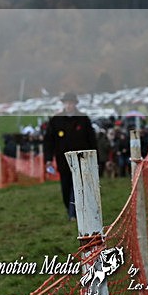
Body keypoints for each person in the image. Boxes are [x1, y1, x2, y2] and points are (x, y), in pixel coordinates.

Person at [43, 92, 97, 220]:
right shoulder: (56, 120)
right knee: (66, 186)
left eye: (71, 103)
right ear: (63, 104)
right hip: (63, 160)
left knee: (80, 186)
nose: (69, 105)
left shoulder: (83, 119)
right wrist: (48, 159)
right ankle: (70, 210)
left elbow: (92, 140)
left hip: (82, 159)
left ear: (75, 104)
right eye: (66, 103)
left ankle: (78, 212)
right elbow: (49, 141)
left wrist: (95, 158)